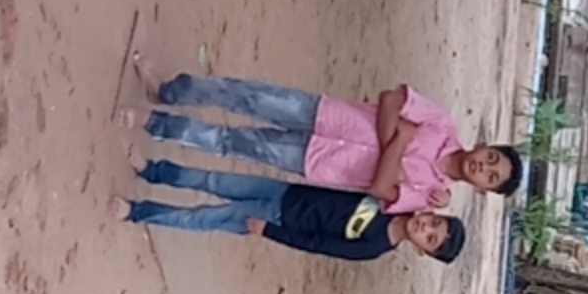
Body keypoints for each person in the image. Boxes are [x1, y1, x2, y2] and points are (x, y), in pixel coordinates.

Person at [123, 55, 521, 215]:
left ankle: (157, 125)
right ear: (484, 146)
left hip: (318, 162)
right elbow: (390, 100)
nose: (483, 167)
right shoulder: (442, 124)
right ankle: (169, 91)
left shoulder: (431, 196)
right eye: (491, 159)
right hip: (326, 114)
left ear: (482, 190)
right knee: (248, 96)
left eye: (491, 176)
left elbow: (380, 190)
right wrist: (392, 153)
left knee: (231, 143)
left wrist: (399, 140)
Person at [118, 163, 465, 263]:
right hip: (285, 191)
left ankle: (137, 211)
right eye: (434, 222)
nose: (425, 227)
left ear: (421, 250)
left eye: (430, 238)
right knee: (215, 179)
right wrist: (438, 193)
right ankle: (154, 170)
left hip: (278, 220)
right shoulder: (395, 199)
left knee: (204, 217)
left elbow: (317, 245)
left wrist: (268, 231)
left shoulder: (373, 247)